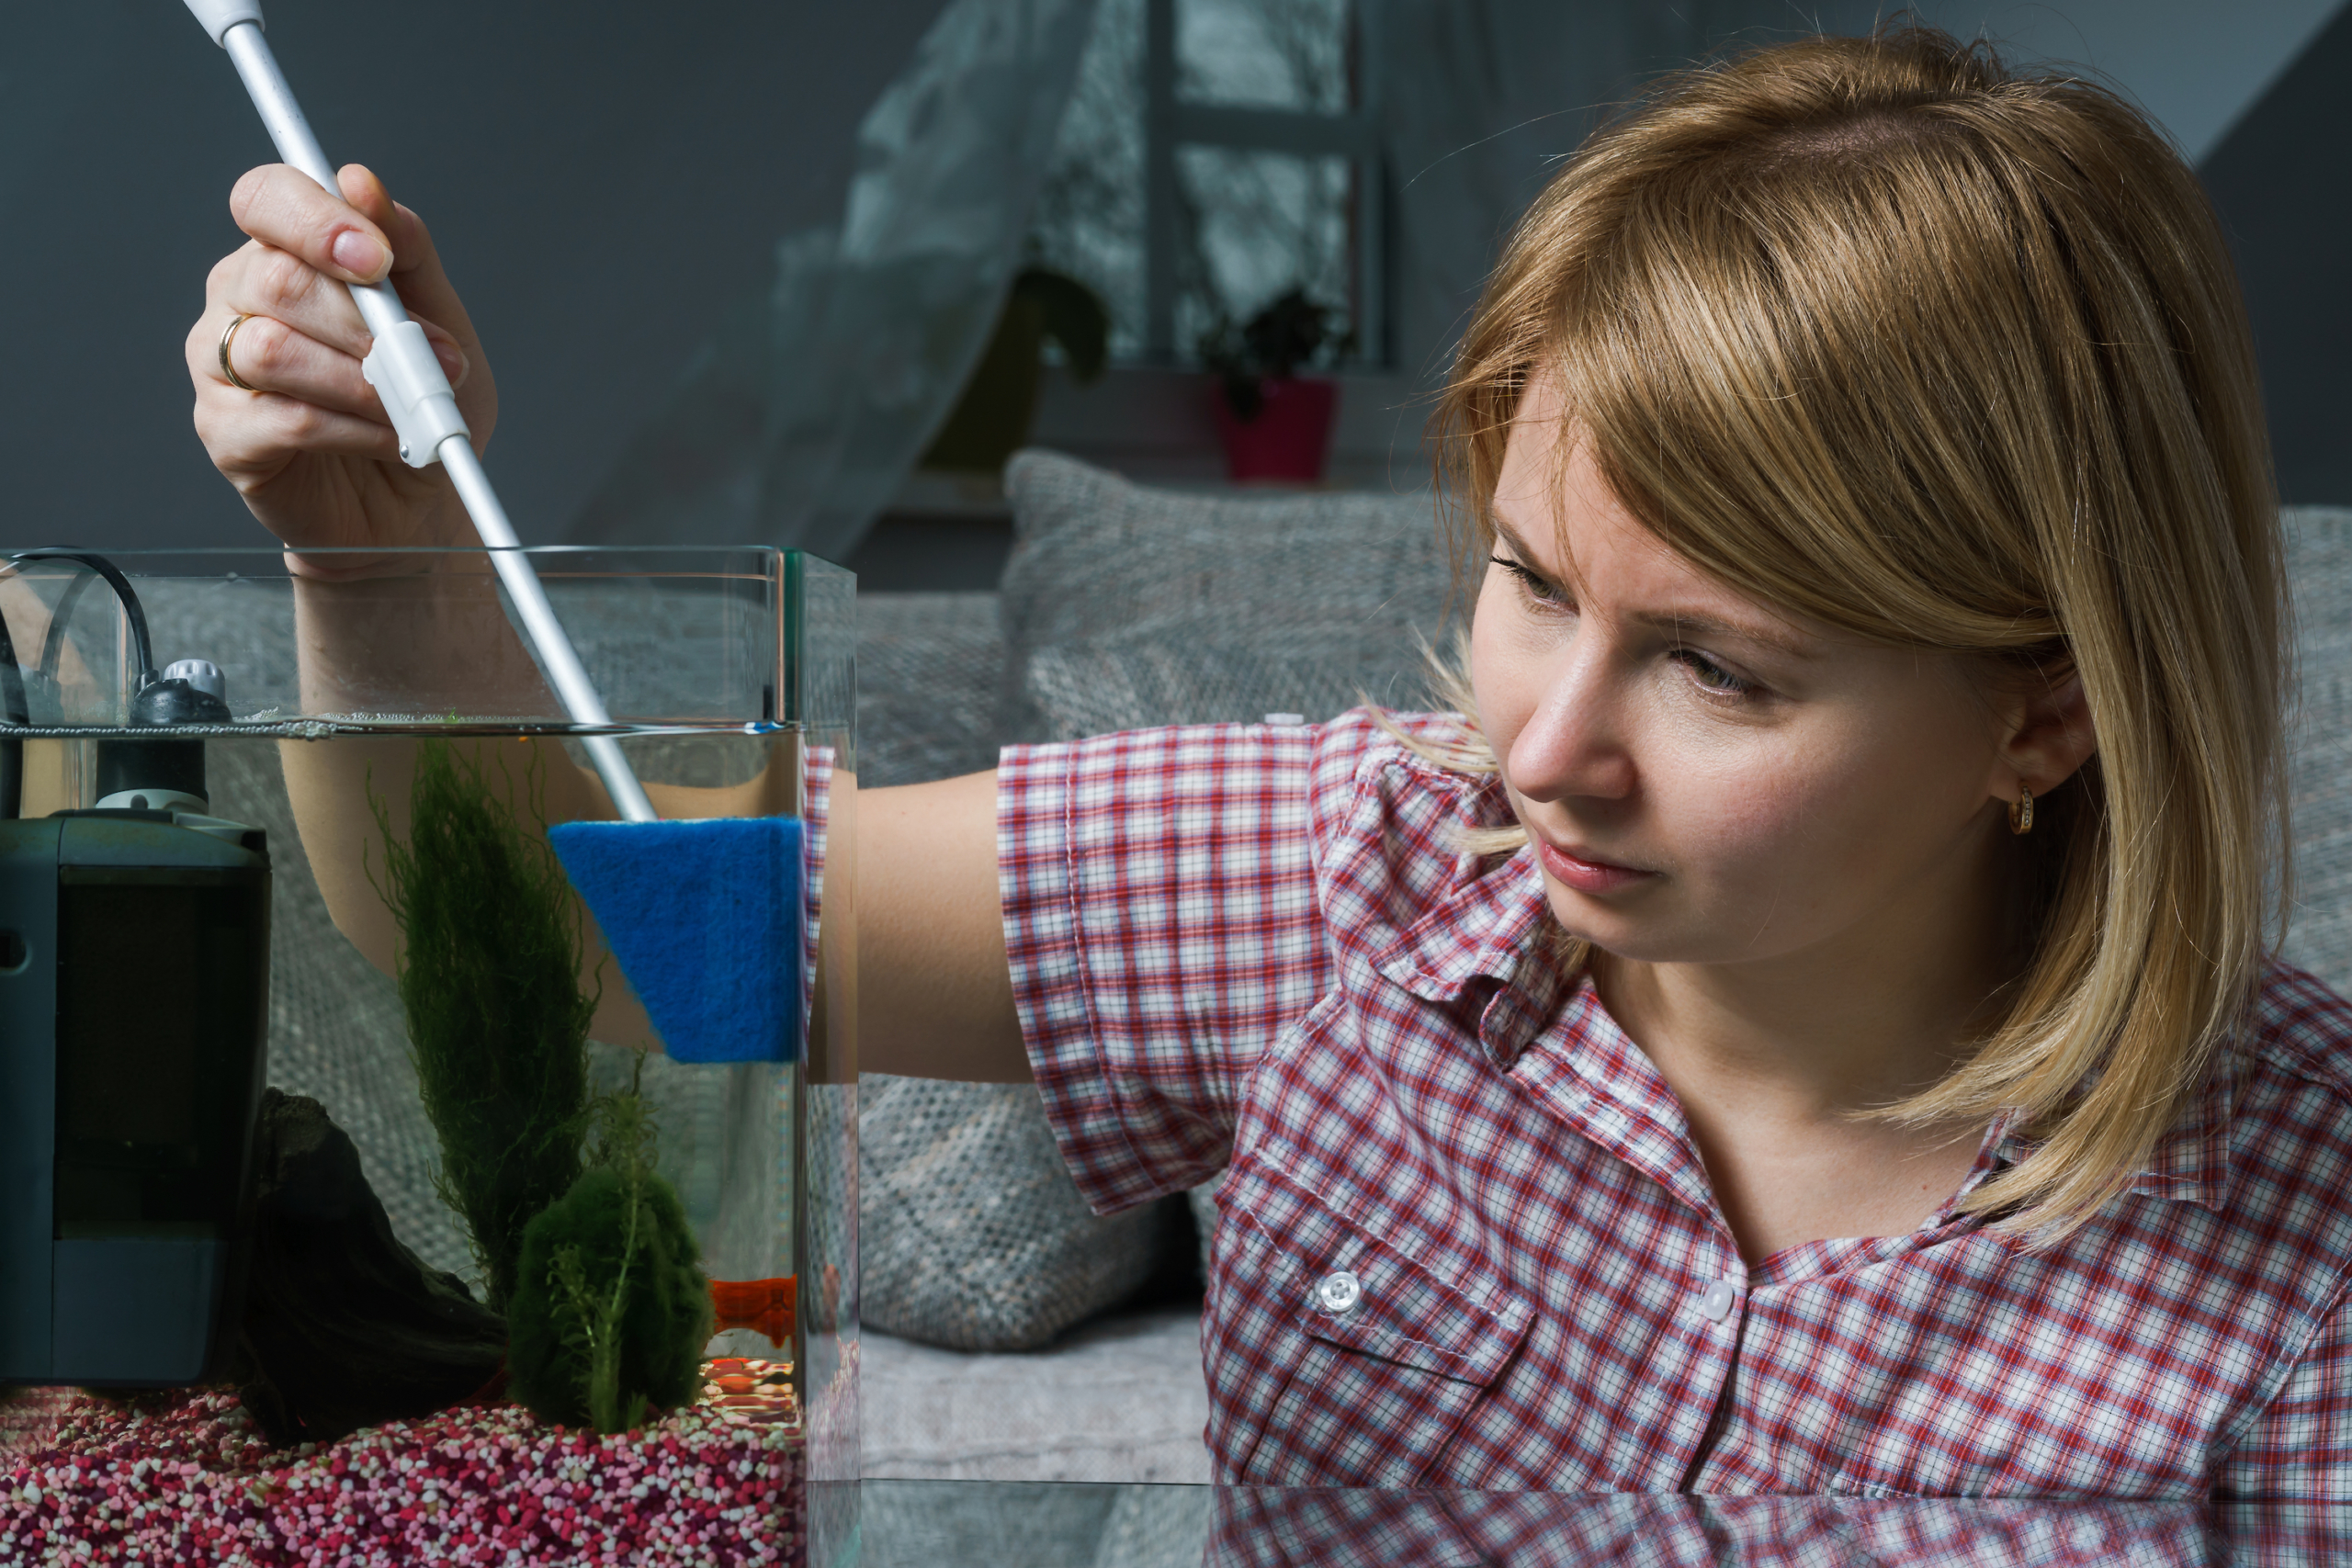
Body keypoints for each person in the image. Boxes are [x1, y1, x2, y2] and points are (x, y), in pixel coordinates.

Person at [189, 26, 2352, 1495]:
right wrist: (372, 559)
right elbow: (604, 947)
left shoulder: (2305, 1210)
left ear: (2042, 709)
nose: (1546, 753)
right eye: (1526, 581)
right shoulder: (1327, 876)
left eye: (1721, 672)